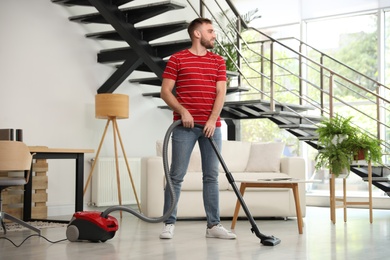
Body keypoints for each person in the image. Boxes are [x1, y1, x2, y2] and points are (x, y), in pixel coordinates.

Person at [159, 17, 236, 240]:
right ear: (197, 34)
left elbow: (221, 93)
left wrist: (212, 120)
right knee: (176, 176)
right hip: (184, 126)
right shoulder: (177, 59)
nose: (214, 35)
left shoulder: (218, 61)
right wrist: (183, 111)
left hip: (211, 126)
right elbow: (165, 91)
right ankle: (169, 222)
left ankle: (213, 225)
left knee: (211, 176)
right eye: (210, 31)